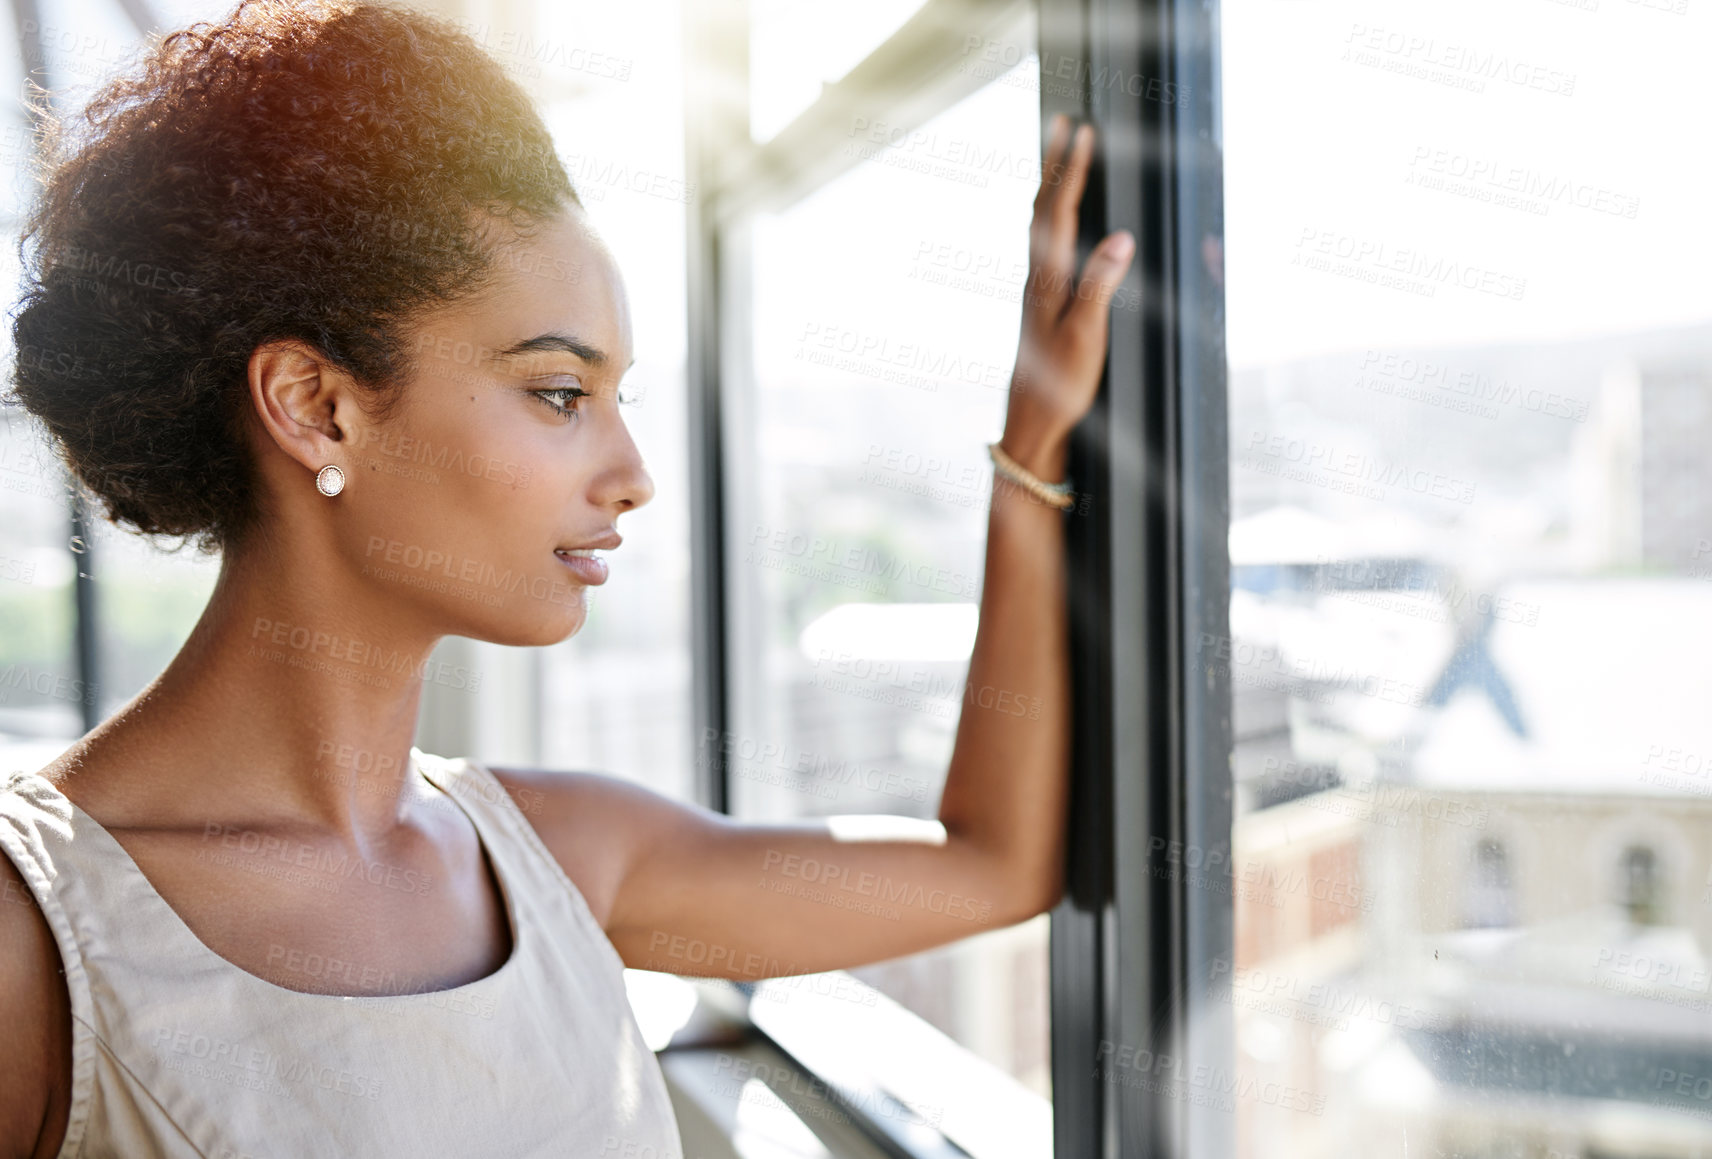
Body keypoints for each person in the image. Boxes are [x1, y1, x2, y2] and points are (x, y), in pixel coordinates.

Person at [0, 1, 1137, 1155]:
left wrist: (1029, 452)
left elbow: (990, 867)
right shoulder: (31, 942)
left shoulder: (563, 859)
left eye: (616, 399)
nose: (633, 475)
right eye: (558, 392)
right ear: (317, 406)